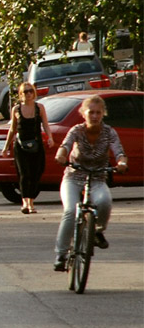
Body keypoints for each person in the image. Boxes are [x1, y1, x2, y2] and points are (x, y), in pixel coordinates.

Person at [51, 94, 128, 271]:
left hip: (97, 178)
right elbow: (65, 145)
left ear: (103, 114)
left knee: (104, 202)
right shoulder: (76, 130)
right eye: (91, 112)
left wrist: (122, 163)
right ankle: (61, 254)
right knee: (70, 211)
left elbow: (119, 152)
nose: (94, 116)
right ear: (83, 114)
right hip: (73, 177)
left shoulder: (109, 132)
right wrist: (61, 155)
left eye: (98, 113)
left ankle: (97, 231)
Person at [1, 83, 54, 214]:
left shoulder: (39, 108)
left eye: (31, 91)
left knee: (37, 172)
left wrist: (50, 137)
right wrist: (6, 146)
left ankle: (31, 199)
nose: (28, 94)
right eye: (25, 92)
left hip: (37, 144)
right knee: (24, 174)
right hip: (21, 145)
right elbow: (12, 129)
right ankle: (27, 203)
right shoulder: (16, 109)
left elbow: (46, 125)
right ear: (20, 94)